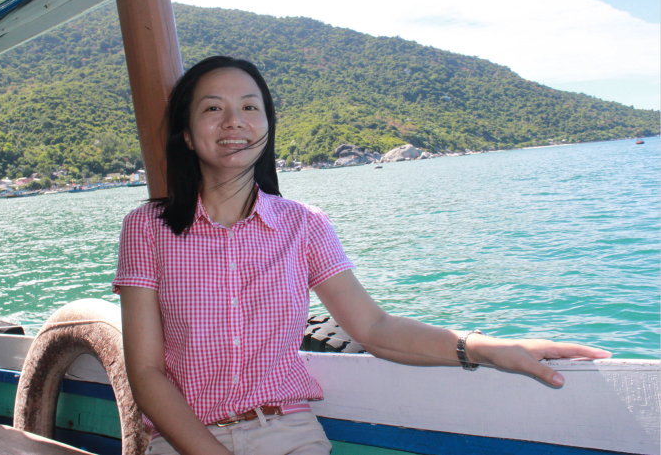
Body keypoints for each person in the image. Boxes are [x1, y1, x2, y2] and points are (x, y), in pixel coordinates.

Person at [113, 56, 611, 455]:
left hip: (287, 433)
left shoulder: (304, 224)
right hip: (183, 441)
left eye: (249, 107)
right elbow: (147, 372)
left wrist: (484, 348)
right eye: (212, 108)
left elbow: (373, 327)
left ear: (266, 126)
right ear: (186, 133)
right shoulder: (148, 228)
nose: (234, 121)